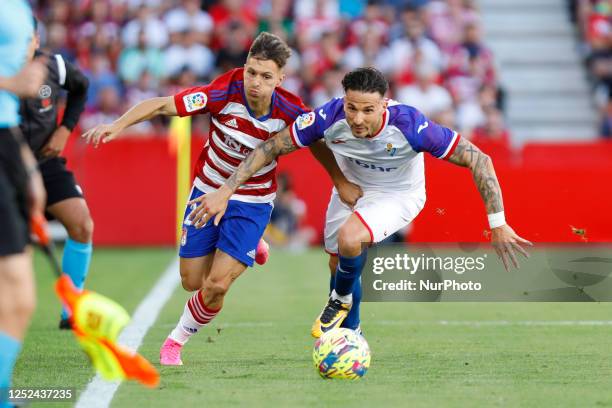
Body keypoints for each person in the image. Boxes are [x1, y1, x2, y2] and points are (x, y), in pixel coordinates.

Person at [188, 67, 532, 338]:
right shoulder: (329, 118)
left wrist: (497, 223)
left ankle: (337, 301)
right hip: (351, 190)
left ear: (385, 104)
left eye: (368, 110)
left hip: (399, 194)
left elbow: (480, 160)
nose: (357, 119)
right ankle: (352, 334)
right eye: (352, 108)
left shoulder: (411, 125)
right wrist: (226, 190)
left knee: (351, 240)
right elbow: (272, 146)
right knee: (337, 263)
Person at [82, 32, 360, 365]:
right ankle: (252, 245)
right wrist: (118, 124)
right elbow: (160, 104)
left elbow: (316, 142)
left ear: (281, 79)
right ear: (244, 68)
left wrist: (340, 181)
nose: (255, 82)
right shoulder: (221, 93)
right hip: (208, 190)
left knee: (215, 286)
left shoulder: (290, 110)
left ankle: (176, 340)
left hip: (252, 201)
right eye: (251, 72)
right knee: (192, 281)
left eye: (266, 76)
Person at [20, 19, 92, 330]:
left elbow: (81, 88)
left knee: (81, 223)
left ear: (37, 38)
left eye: (28, 38)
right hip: (7, 166)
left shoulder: (54, 66)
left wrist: (64, 129)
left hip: (45, 162)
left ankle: (71, 309)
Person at [0, 1, 47, 406]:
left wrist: (27, 165)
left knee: (18, 294)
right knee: (16, 289)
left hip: (6, 142)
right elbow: (12, 86)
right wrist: (11, 83)